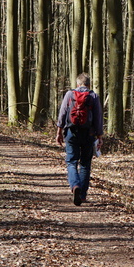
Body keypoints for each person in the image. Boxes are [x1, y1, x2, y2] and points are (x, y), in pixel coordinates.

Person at [55, 73, 104, 206]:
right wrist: (99, 136)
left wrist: (59, 132)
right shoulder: (93, 96)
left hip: (71, 132)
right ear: (89, 84)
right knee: (85, 164)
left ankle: (75, 186)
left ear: (78, 84)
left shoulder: (69, 95)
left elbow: (63, 113)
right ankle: (82, 195)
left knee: (71, 162)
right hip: (88, 134)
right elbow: (98, 118)